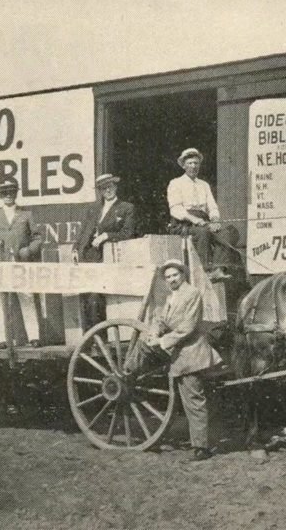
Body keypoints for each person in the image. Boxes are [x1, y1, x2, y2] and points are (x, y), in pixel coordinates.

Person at [152, 259, 223, 461]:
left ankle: (201, 448)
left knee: (194, 401)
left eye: (175, 275)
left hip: (192, 354)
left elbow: (188, 327)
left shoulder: (191, 293)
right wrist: (155, 331)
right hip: (181, 355)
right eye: (168, 277)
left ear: (183, 275)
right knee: (191, 400)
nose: (172, 279)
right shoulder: (171, 297)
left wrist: (163, 341)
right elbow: (162, 320)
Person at [0, 181, 43, 347]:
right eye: (5, 192)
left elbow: (37, 238)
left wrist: (28, 250)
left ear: (16, 193)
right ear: (1, 195)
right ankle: (3, 339)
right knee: (0, 301)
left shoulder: (26, 215)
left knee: (26, 297)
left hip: (20, 264)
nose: (8, 195)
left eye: (11, 192)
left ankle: (34, 337)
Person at [166, 147, 238, 282]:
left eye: (196, 163)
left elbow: (212, 206)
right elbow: (175, 209)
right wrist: (194, 219)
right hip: (183, 224)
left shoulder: (204, 185)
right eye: (190, 163)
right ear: (183, 166)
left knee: (228, 233)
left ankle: (217, 269)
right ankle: (205, 271)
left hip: (203, 222)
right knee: (203, 232)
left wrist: (215, 220)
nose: (193, 166)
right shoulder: (175, 183)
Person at [75, 173, 138, 326]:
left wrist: (107, 235)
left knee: (96, 297)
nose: (108, 190)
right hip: (87, 256)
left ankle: (100, 334)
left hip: (106, 257)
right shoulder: (93, 209)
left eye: (110, 186)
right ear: (100, 191)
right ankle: (89, 335)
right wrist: (75, 249)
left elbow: (128, 233)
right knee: (85, 297)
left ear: (115, 187)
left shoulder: (126, 208)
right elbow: (83, 232)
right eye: (104, 188)